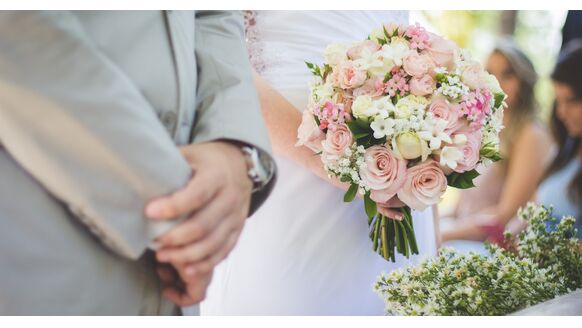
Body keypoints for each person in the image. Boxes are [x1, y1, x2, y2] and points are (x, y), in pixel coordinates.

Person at [0, 11, 276, 315]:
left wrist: (233, 146)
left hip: (182, 271)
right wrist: (180, 204)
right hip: (46, 236)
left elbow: (215, 14)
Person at [200, 11, 438, 316]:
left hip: (404, 187)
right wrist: (330, 163)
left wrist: (429, 191)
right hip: (293, 165)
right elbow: (222, 58)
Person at [441, 38, 551, 249]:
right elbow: (461, 207)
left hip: (489, 245)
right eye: (491, 72)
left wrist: (443, 234)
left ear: (524, 82)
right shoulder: (482, 128)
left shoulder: (530, 134)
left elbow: (504, 215)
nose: (497, 81)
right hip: (462, 232)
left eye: (508, 74)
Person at [537, 39, 582, 236]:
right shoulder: (565, 149)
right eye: (558, 101)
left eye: (571, 101)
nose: (561, 113)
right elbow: (531, 212)